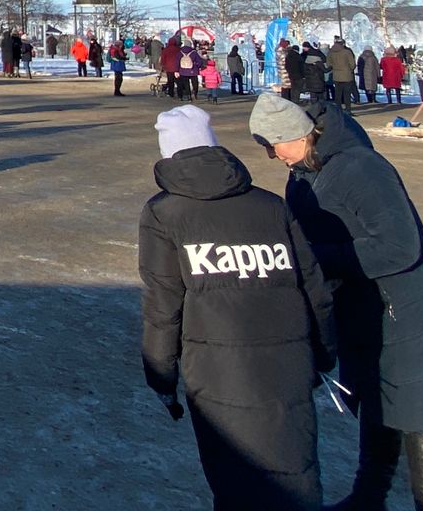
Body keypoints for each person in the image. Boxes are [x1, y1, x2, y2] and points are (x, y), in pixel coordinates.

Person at [251, 93, 423, 510]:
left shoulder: (361, 168)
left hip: (405, 311)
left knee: (417, 415)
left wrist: (317, 259)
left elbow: (400, 246)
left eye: (273, 144)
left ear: (297, 134)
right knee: (376, 401)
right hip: (362, 309)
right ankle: (368, 499)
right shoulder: (303, 173)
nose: (272, 155)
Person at [139, 105, 336, 509]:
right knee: (296, 475)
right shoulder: (270, 205)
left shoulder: (163, 212)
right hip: (289, 363)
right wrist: (323, 353)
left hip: (217, 370)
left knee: (235, 481)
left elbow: (163, 303)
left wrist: (161, 376)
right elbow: (313, 286)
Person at [327, 37, 357, 110]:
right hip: (346, 75)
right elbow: (352, 64)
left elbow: (329, 64)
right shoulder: (347, 52)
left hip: (336, 75)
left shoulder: (330, 52)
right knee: (347, 94)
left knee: (338, 94)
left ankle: (338, 109)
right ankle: (348, 109)